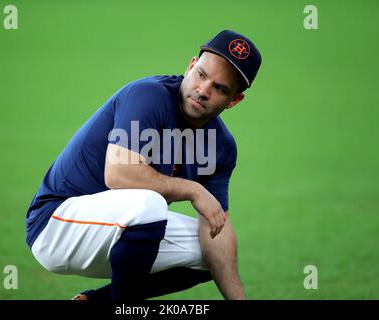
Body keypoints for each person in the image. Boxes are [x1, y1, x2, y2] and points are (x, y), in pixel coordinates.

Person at [25, 29, 262, 300]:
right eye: (202, 75)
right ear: (191, 66)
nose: (203, 90)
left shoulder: (221, 146)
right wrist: (194, 190)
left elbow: (217, 229)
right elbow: (119, 174)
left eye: (219, 88)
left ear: (234, 100)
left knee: (212, 251)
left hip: (117, 232)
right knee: (151, 204)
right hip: (56, 225)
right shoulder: (149, 95)